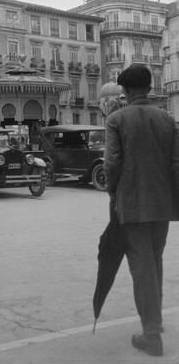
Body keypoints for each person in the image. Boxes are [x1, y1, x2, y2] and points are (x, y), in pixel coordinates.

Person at [104, 64, 179, 357]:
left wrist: (114, 193)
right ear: (148, 88)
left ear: (125, 90)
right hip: (162, 205)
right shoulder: (167, 119)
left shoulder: (116, 119)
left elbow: (111, 164)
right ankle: (154, 323)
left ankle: (151, 334)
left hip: (132, 203)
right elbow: (176, 165)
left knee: (142, 268)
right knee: (154, 262)